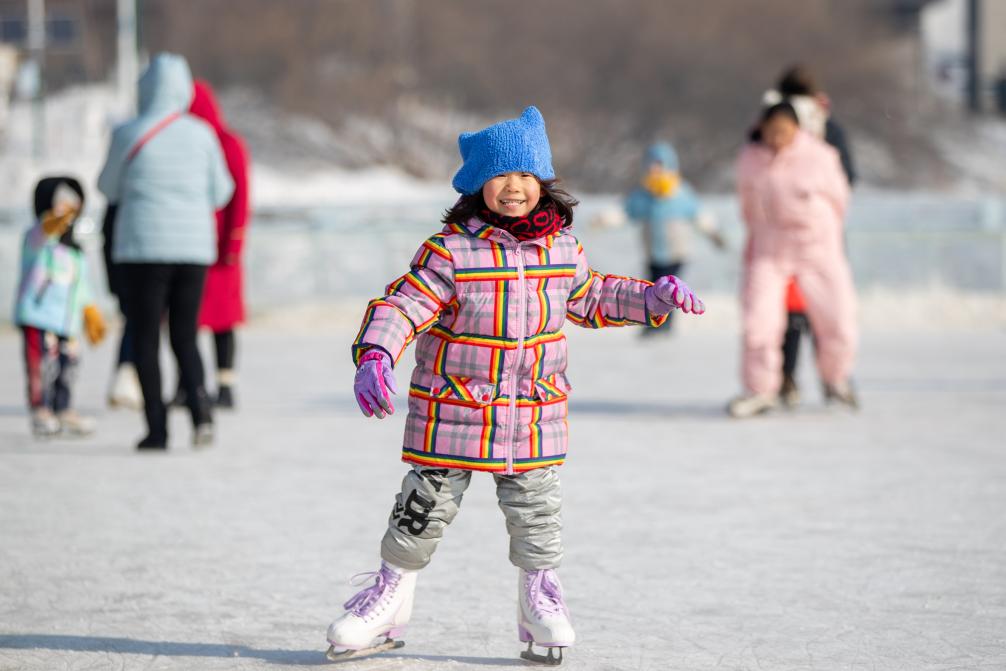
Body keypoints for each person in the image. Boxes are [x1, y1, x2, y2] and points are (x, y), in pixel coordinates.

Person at [324, 106, 705, 664]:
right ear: (479, 184)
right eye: (502, 175)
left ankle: (540, 600)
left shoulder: (561, 249)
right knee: (420, 510)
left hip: (531, 415)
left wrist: (651, 298)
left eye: (527, 176)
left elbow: (591, 296)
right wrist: (376, 351)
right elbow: (405, 305)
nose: (515, 187)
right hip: (451, 412)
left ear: (543, 183)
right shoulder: (451, 251)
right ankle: (388, 597)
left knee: (537, 518)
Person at [97, 53, 234, 450]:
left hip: (141, 248)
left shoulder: (127, 133)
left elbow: (108, 188)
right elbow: (222, 191)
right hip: (192, 249)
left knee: (145, 337)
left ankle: (156, 429)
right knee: (185, 336)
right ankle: (201, 414)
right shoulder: (202, 134)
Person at [729, 102, 857, 418]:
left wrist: (830, 239)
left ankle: (835, 379)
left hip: (817, 248)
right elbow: (747, 204)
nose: (775, 138)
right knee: (758, 322)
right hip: (770, 250)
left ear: (796, 130)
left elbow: (840, 200)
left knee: (838, 320)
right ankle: (760, 390)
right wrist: (755, 237)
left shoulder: (821, 157)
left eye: (783, 131)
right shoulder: (750, 158)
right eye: (770, 131)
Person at [764, 66, 857, 406]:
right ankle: (833, 379)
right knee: (826, 313)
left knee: (789, 317)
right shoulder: (827, 127)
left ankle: (788, 379)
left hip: (783, 242)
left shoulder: (772, 125)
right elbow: (847, 180)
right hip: (820, 238)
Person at [171, 80, 251, 410]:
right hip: (193, 246)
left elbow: (240, 196)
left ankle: (225, 384)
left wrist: (233, 242)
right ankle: (185, 385)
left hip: (219, 251)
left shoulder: (228, 143)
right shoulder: (183, 143)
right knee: (184, 320)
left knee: (222, 320)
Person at [14, 177, 106, 437]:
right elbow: (48, 227)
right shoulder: (37, 238)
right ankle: (41, 410)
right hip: (39, 316)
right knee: (42, 367)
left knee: (68, 367)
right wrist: (58, 216)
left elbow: (82, 285)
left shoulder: (75, 251)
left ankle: (63, 409)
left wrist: (90, 312)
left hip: (68, 321)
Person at [625, 141, 725, 335]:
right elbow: (627, 211)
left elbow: (698, 215)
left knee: (669, 288)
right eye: (651, 165)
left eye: (659, 164)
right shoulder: (643, 195)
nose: (655, 169)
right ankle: (653, 322)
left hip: (676, 251)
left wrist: (713, 233)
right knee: (653, 287)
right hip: (653, 251)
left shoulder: (681, 193)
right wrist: (604, 220)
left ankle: (664, 324)